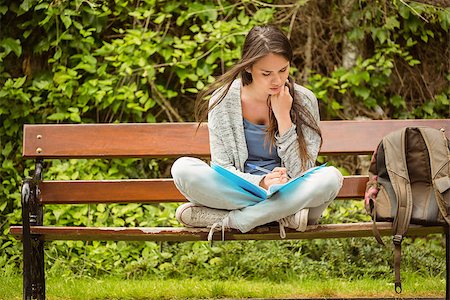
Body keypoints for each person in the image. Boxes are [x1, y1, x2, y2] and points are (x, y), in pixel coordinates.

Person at [171, 25, 343, 240]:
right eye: (267, 73)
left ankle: (237, 221)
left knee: (331, 178)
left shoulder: (304, 100)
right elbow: (223, 167)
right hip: (245, 191)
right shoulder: (223, 101)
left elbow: (302, 170)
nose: (278, 81)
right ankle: (281, 216)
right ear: (249, 67)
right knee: (183, 169)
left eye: (283, 70)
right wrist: (261, 183)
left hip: (290, 191)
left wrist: (283, 118)